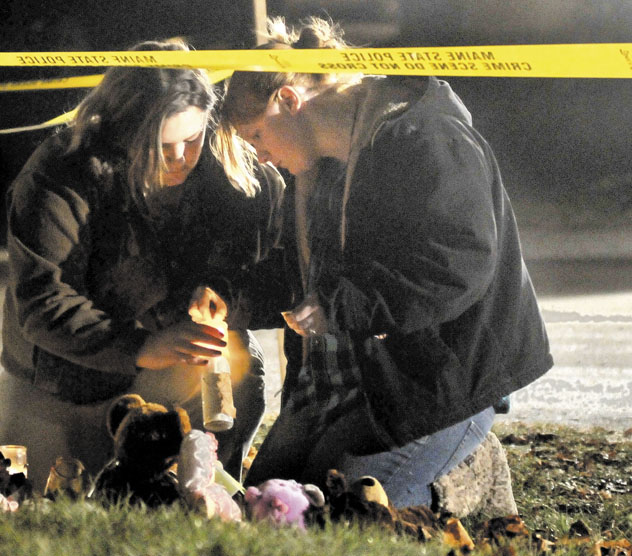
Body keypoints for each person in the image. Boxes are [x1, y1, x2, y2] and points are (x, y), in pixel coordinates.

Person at [216, 17, 553, 509]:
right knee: (265, 501)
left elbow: (456, 266)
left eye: (256, 136)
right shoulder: (318, 168)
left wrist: (343, 309)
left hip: (435, 382)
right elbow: (299, 279)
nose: (261, 157)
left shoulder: (423, 137)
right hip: (344, 384)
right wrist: (231, 301)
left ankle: (461, 477)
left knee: (342, 509)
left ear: (288, 100)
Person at [0, 39, 285, 492]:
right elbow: (43, 303)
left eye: (193, 139)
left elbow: (255, 266)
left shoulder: (222, 168)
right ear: (120, 132)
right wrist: (139, 346)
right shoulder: (60, 174)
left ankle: (195, 481)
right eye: (161, 146)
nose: (182, 158)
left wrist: (220, 290)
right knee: (27, 492)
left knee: (238, 362)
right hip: (60, 378)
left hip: (158, 376)